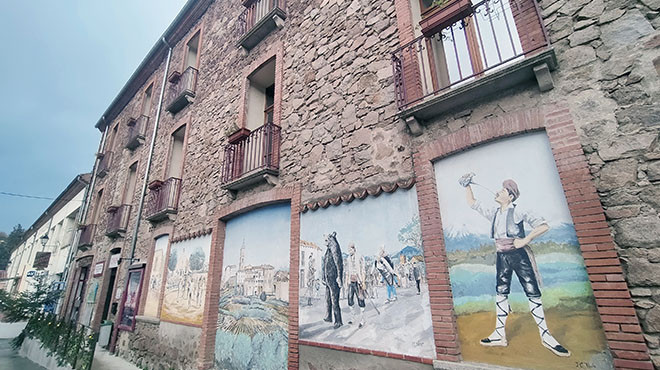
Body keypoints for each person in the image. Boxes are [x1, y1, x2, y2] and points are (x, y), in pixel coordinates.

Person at [460, 173, 570, 357]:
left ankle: (546, 335)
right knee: (501, 292)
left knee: (532, 292)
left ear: (510, 196)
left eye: (502, 190)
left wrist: (525, 240)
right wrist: (466, 186)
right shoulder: (494, 213)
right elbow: (473, 203)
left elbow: (543, 225)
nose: (497, 192)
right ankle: (499, 334)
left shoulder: (518, 211)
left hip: (519, 255)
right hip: (502, 257)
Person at [322, 232, 343, 329]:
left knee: (334, 300)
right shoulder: (328, 250)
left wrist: (339, 277)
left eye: (326, 240)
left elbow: (338, 264)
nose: (324, 242)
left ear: (330, 240)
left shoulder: (335, 248)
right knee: (328, 298)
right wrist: (323, 277)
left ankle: (338, 321)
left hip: (333, 278)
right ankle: (329, 316)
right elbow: (324, 264)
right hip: (328, 279)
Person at [346, 243, 366, 328]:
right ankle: (353, 318)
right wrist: (347, 281)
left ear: (354, 249)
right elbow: (347, 271)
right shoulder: (347, 259)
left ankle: (362, 319)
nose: (349, 251)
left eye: (351, 249)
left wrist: (363, 282)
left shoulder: (360, 257)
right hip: (351, 282)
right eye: (348, 250)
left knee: (360, 300)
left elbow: (363, 270)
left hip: (359, 281)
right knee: (350, 300)